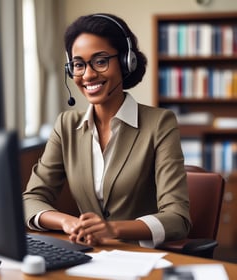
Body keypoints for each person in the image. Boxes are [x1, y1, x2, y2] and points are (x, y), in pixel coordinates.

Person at [23, 13, 191, 248]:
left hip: (141, 257)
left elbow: (177, 218)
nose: (88, 74)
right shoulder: (66, 126)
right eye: (79, 65)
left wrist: (112, 229)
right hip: (90, 256)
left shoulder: (160, 123)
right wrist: (68, 223)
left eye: (100, 61)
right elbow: (31, 200)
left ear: (126, 61)